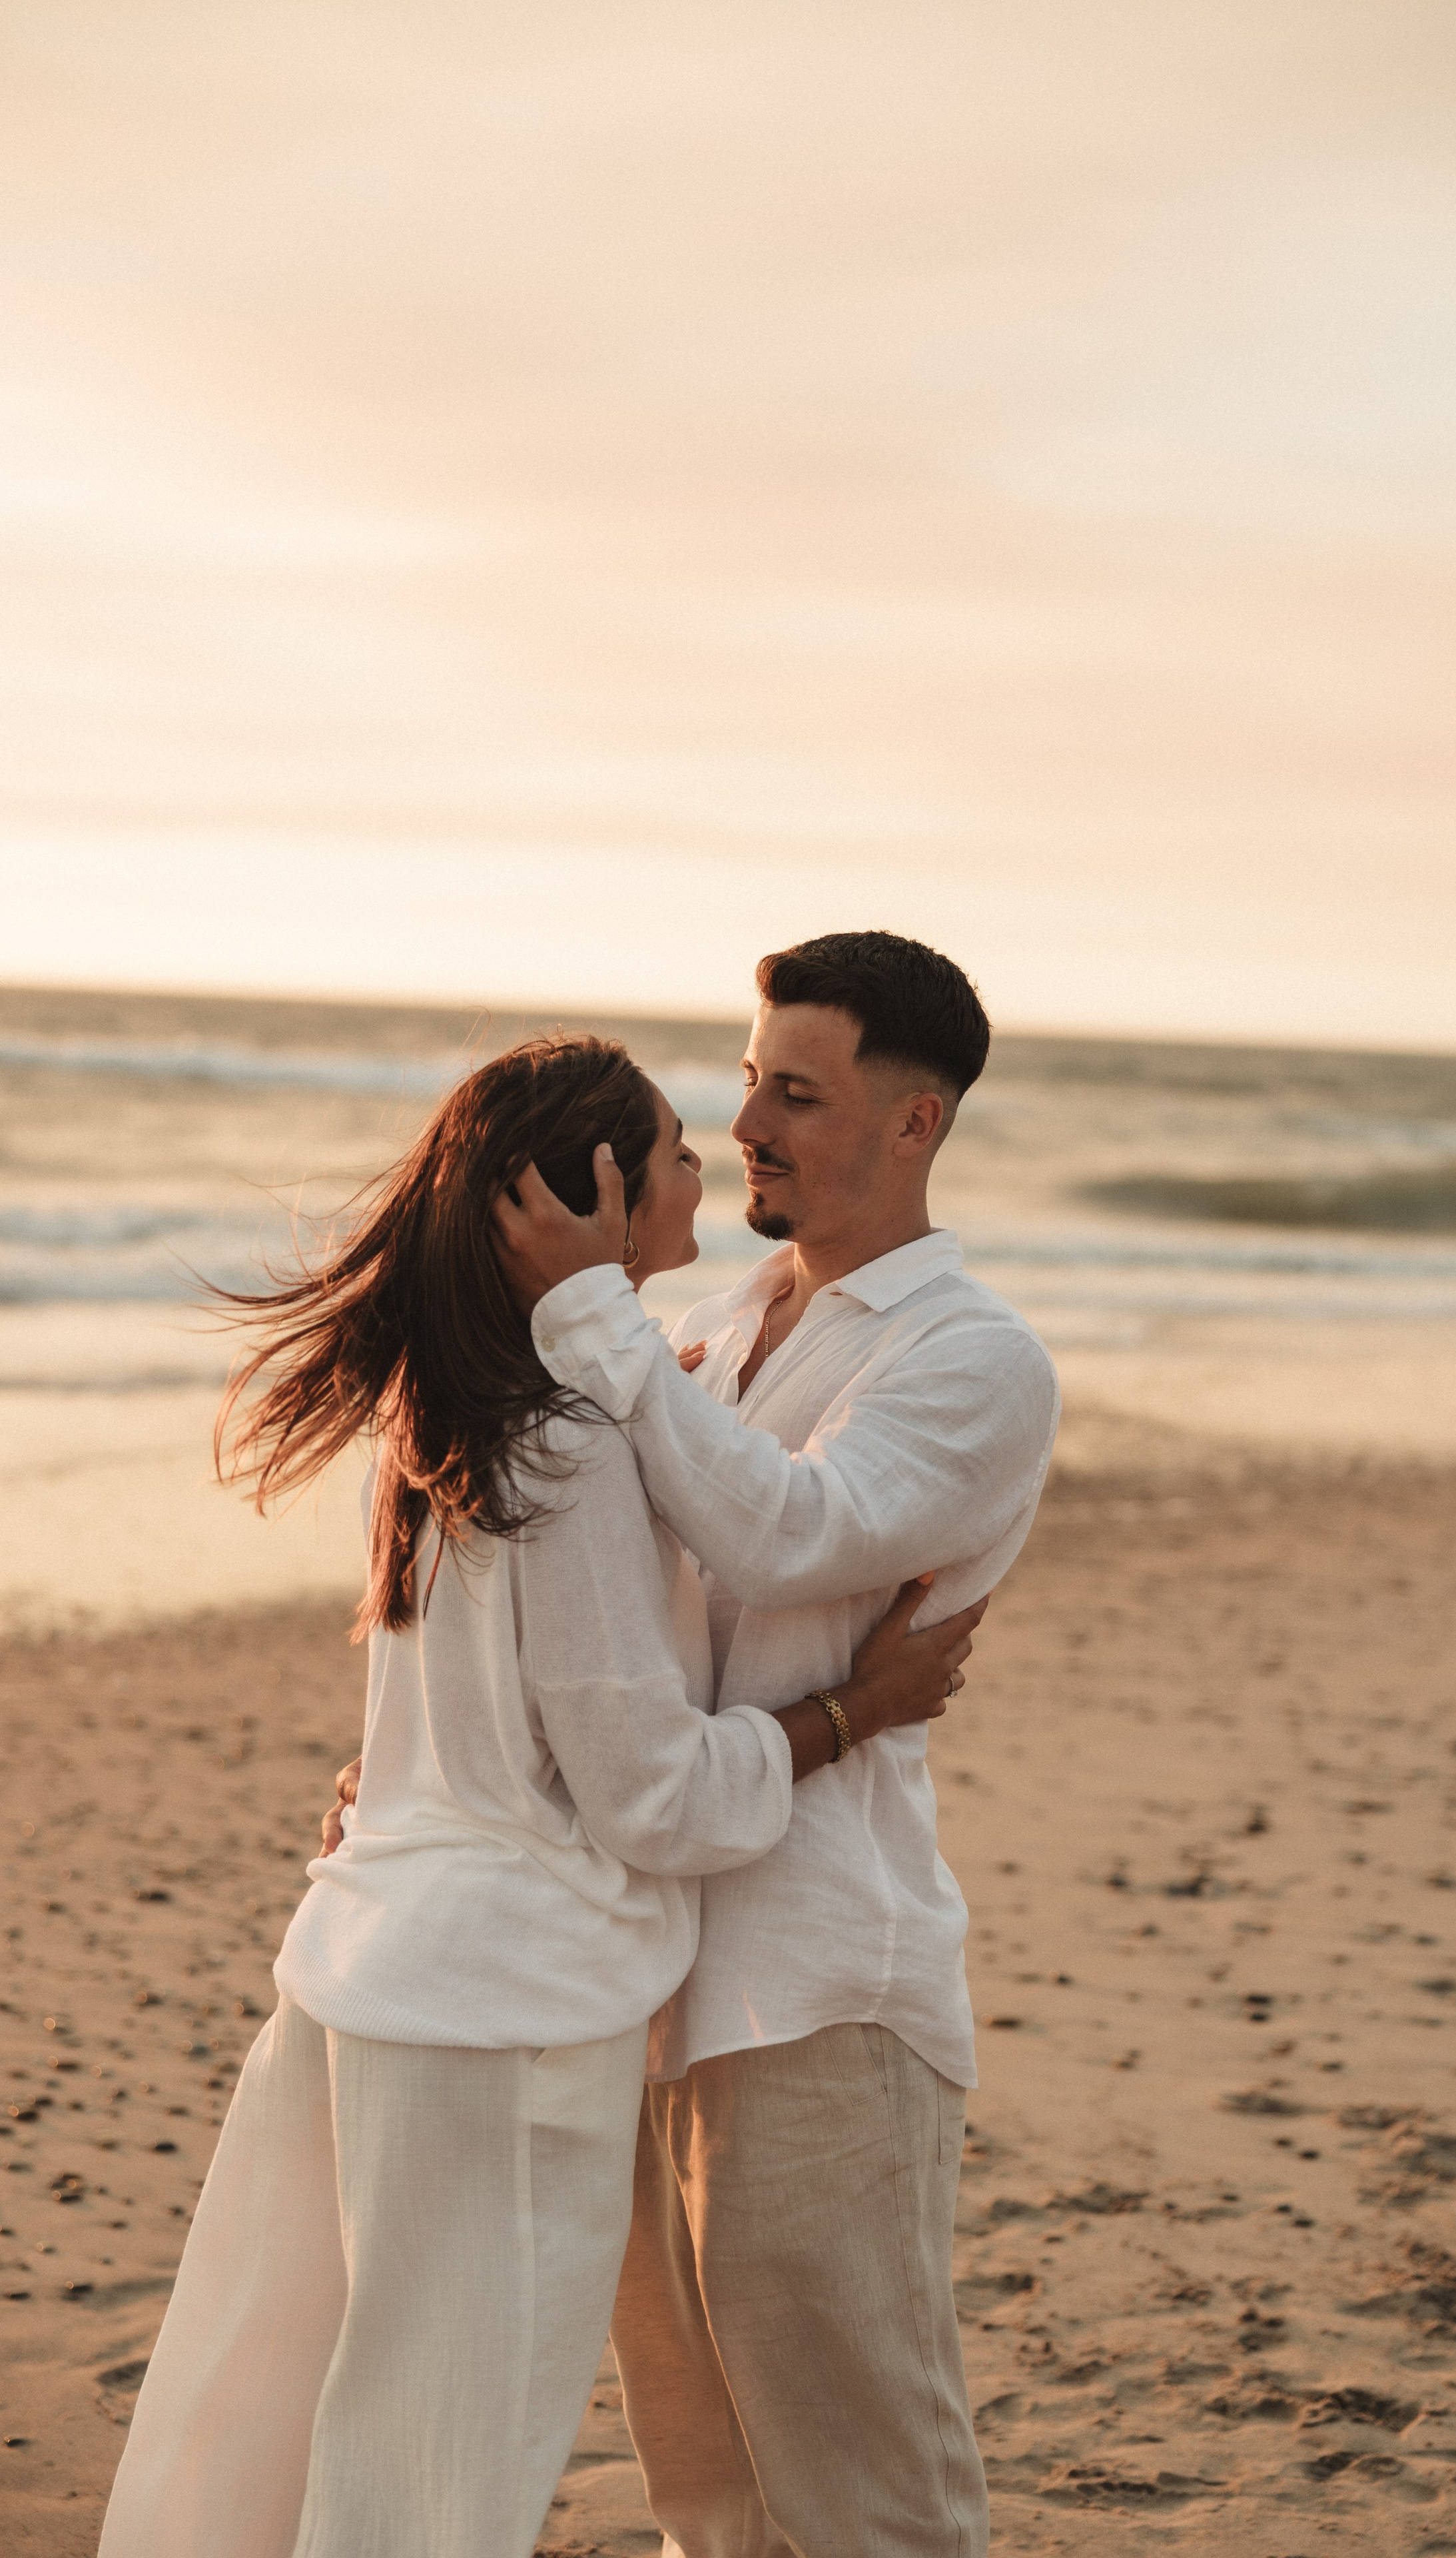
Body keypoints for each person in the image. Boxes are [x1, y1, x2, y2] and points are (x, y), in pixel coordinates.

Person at [98, 1033, 982, 2558]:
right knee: (436, 2469)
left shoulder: (454, 1411)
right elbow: (647, 1795)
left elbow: (475, 1719)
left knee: (260, 2407)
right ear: (593, 1194)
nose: (711, 1153)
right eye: (669, 1148)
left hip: (364, 1968)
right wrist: (850, 1711)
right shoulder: (571, 1442)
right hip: (496, 2007)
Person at [491, 932, 1060, 2558]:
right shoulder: (713, 1330)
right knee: (711, 2493)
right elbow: (613, 1626)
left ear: (914, 1123)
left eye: (795, 1094)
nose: (747, 1121)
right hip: (651, 1967)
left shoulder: (969, 1357)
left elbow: (791, 1539)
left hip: (820, 1981)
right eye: (746, 1083)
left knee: (866, 2491)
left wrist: (596, 1319)